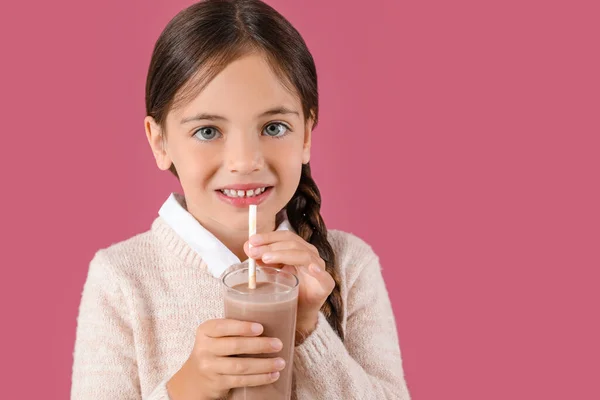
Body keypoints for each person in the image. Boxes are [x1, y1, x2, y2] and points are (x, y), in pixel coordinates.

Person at [71, 0, 410, 399]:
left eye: (274, 126)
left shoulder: (349, 267)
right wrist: (188, 387)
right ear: (160, 141)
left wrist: (308, 332)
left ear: (306, 134)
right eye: (208, 131)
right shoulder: (122, 280)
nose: (245, 162)